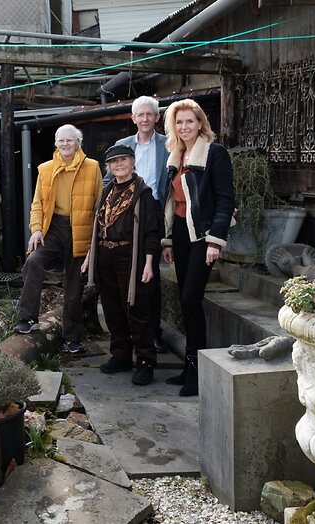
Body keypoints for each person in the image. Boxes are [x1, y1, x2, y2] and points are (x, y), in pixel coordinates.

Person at [161, 99, 235, 397]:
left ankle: (197, 373)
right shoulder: (176, 155)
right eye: (179, 122)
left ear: (200, 123)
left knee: (191, 299)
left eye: (189, 121)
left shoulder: (214, 153)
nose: (184, 127)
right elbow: (171, 201)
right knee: (184, 299)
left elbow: (225, 199)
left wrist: (215, 240)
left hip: (203, 235)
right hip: (180, 232)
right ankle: (188, 368)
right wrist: (168, 239)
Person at [14, 124, 103, 355]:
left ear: (78, 143)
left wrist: (94, 242)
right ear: (55, 143)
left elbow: (99, 205)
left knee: (74, 285)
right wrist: (36, 230)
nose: (65, 144)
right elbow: (37, 204)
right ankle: (28, 317)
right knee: (33, 261)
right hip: (53, 228)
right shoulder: (45, 169)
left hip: (80, 229)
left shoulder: (92, 167)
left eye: (70, 140)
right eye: (61, 140)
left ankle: (71, 339)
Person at [83, 144, 162, 385]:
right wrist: (90, 256)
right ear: (108, 166)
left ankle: (145, 361)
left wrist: (149, 263)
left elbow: (152, 231)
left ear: (132, 162)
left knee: (136, 309)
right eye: (114, 162)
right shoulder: (107, 192)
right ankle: (121, 355)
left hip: (131, 256)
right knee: (112, 309)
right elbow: (98, 228)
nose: (119, 165)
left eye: (123, 160)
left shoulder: (143, 193)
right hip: (105, 257)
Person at [108, 95, 169, 354]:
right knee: (123, 274)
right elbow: (108, 180)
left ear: (157, 117)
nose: (145, 119)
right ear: (133, 118)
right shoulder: (122, 145)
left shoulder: (168, 144)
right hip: (124, 214)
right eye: (140, 115)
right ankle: (127, 336)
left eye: (149, 114)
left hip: (153, 211)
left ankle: (153, 334)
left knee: (149, 273)